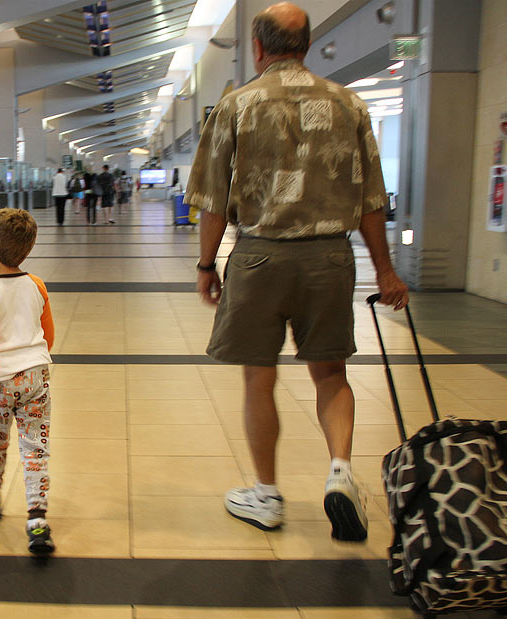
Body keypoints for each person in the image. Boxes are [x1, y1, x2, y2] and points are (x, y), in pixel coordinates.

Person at [184, 2, 409, 542]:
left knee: (259, 377)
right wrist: (385, 271)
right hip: (330, 259)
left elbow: (213, 201)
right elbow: (372, 200)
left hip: (260, 257)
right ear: (306, 44)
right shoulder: (350, 105)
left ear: (258, 48)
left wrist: (207, 264)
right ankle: (339, 473)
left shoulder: (235, 106)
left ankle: (266, 495)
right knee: (331, 373)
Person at [0, 208, 56, 556]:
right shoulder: (37, 284)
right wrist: (34, 359)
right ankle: (37, 519)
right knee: (36, 446)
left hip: (2, 381)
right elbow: (48, 334)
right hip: (38, 375)